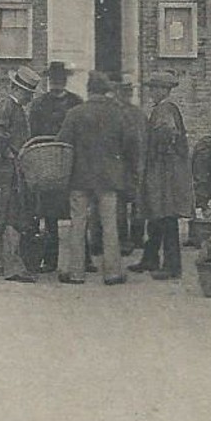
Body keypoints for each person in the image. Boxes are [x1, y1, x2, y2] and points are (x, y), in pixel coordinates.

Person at [57, 73, 139, 285]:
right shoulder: (119, 113)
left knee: (77, 224)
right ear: (106, 90)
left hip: (79, 177)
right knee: (109, 224)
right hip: (109, 178)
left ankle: (76, 272)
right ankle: (112, 272)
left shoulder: (75, 113)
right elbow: (131, 143)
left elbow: (62, 144)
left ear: (89, 89)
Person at [0, 66, 42, 282]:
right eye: (26, 93)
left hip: (7, 172)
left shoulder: (15, 108)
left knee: (7, 217)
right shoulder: (7, 106)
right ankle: (13, 267)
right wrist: (10, 152)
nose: (29, 97)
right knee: (12, 217)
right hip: (5, 174)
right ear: (15, 88)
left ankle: (2, 262)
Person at [132, 72, 193, 280]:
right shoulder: (165, 108)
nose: (151, 92)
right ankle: (150, 258)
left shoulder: (164, 109)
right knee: (156, 213)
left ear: (163, 90)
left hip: (165, 171)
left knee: (166, 216)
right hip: (165, 169)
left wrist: (157, 151)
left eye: (154, 88)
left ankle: (172, 266)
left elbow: (167, 133)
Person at [26, 62, 84, 273]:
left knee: (78, 212)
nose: (58, 82)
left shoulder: (76, 103)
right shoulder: (40, 104)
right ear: (50, 80)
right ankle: (50, 259)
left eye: (61, 78)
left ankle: (83, 260)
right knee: (49, 214)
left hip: (72, 163)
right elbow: (33, 133)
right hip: (48, 164)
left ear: (65, 80)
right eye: (54, 78)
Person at [113, 79, 150, 255]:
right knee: (131, 202)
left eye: (128, 92)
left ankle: (129, 239)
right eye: (125, 92)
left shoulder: (132, 113)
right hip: (129, 163)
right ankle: (131, 238)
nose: (127, 95)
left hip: (127, 163)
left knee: (129, 202)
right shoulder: (136, 113)